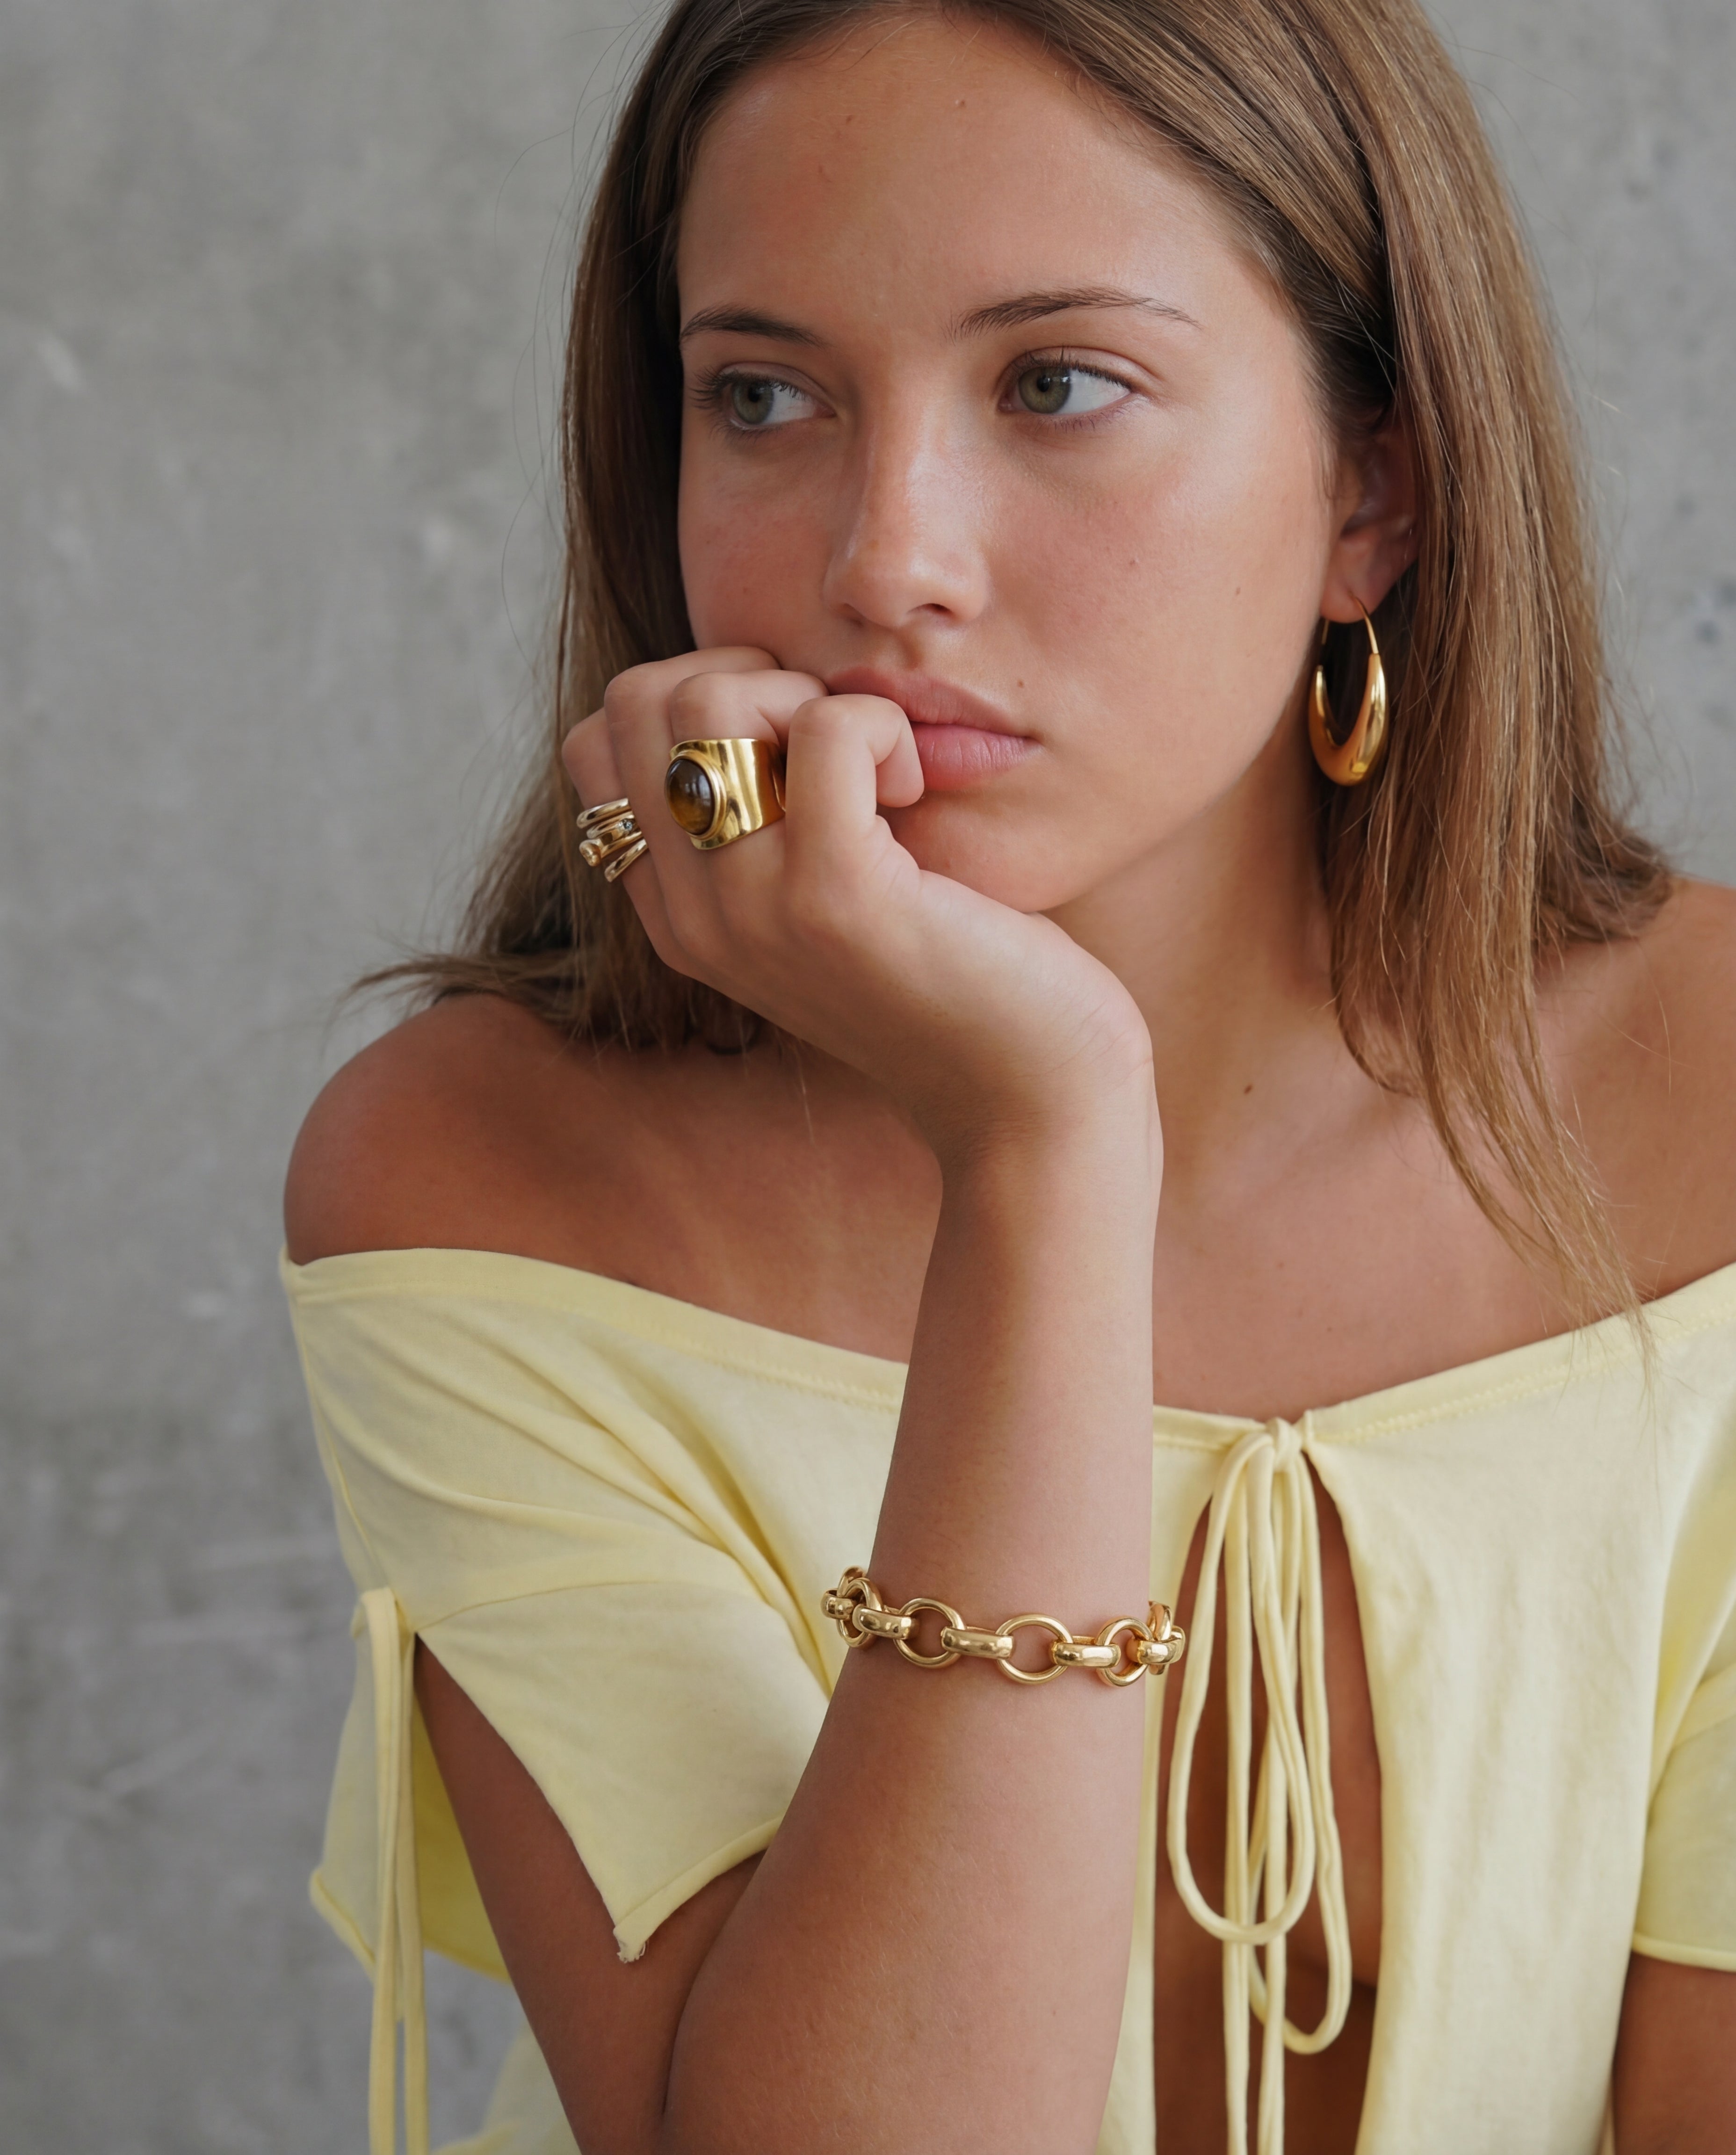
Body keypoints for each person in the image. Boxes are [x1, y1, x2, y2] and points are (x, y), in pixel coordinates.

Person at [281, 1, 1736, 2149]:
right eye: (762, 396)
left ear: (1376, 486)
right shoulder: (485, 1177)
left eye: (1057, 383)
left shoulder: (1711, 1102)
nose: (887, 562)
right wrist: (1045, 1164)